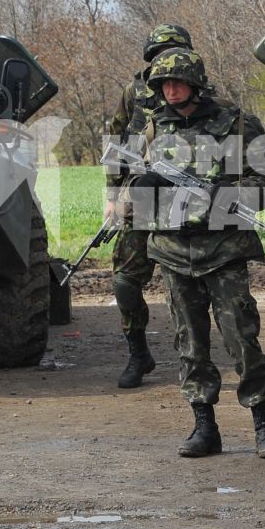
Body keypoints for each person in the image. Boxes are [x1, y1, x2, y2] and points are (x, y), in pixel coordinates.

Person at [122, 47, 265, 458]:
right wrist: (138, 191)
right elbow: (125, 192)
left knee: (242, 341)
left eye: (177, 82)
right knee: (190, 345)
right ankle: (204, 427)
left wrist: (226, 196)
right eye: (163, 84)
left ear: (195, 83)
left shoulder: (237, 124)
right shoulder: (148, 130)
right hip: (174, 253)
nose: (170, 90)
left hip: (224, 251)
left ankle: (263, 426)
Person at [104, 23, 193, 389]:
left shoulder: (198, 92)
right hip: (139, 197)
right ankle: (138, 353)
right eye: (159, 55)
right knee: (124, 281)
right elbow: (117, 143)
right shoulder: (134, 92)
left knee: (188, 287)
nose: (166, 64)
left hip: (186, 202)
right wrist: (111, 197)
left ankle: (194, 358)